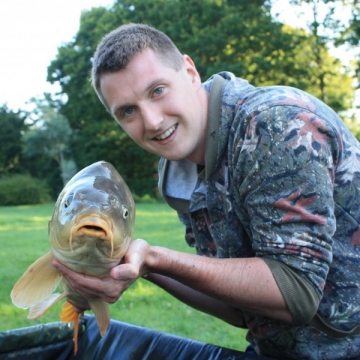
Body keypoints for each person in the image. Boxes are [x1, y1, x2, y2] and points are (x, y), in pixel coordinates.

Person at [52, 23, 360, 359]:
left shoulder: (276, 124)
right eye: (128, 111)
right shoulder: (178, 169)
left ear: (190, 71)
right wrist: (139, 266)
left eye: (157, 91)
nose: (152, 121)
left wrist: (157, 258)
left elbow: (295, 293)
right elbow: (242, 309)